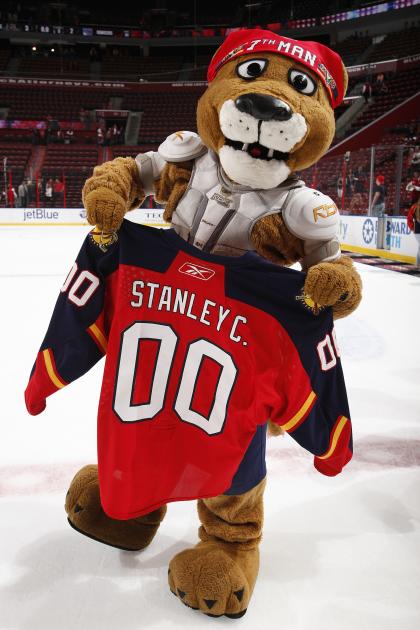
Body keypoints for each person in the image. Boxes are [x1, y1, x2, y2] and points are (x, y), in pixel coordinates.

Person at [407, 200, 420, 268]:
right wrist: (412, 227)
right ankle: (418, 263)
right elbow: (409, 218)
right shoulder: (414, 207)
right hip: (417, 230)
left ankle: (417, 263)